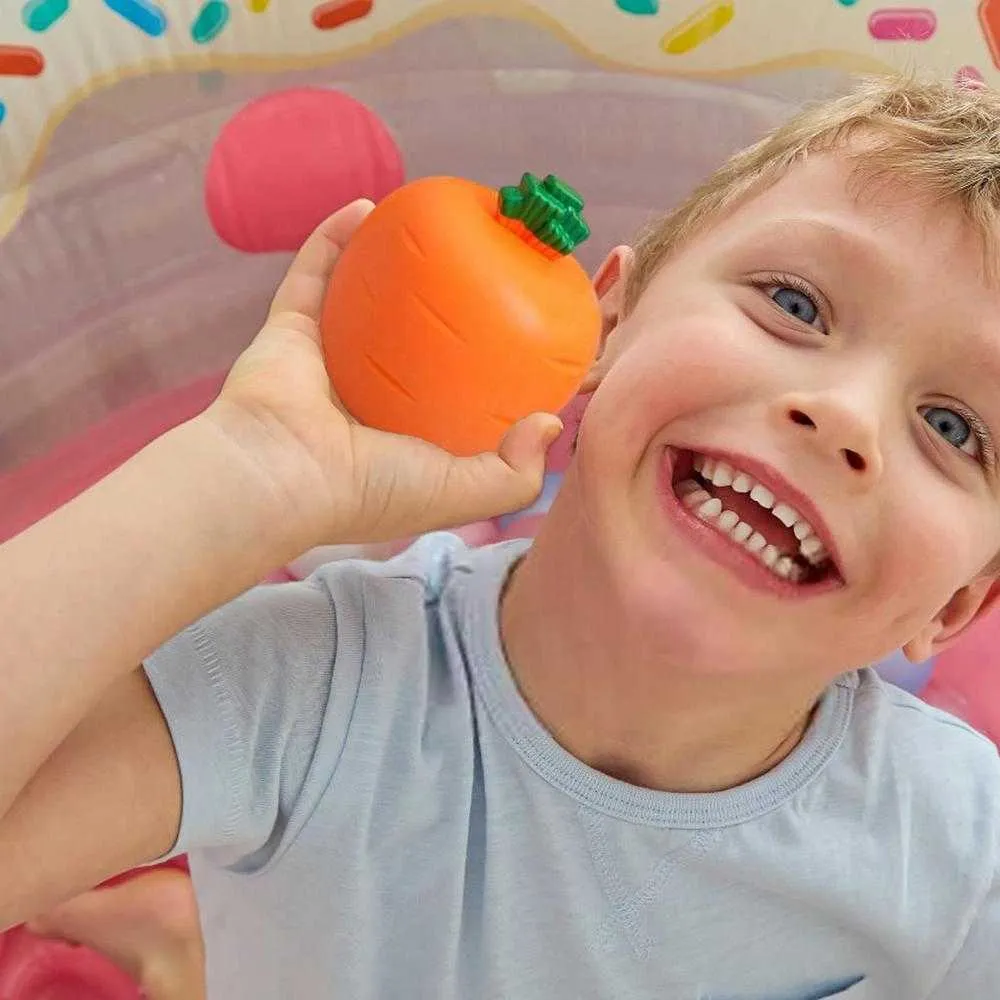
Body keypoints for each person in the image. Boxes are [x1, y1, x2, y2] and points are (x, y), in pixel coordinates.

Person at [3, 73, 1000, 1000]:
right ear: (607, 323)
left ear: (958, 602)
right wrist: (244, 474)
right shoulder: (308, 688)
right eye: (794, 303)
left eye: (954, 429)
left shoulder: (958, 849)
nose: (844, 417)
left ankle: (178, 939)